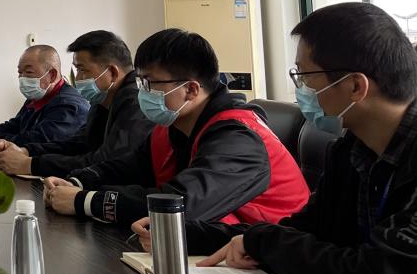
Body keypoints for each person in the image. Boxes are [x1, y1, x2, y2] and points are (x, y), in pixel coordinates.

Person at [155, 3, 416, 274]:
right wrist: (190, 234)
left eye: (304, 76)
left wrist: (263, 241)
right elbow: (305, 230)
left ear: (355, 87)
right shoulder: (353, 149)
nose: (300, 90)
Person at [43, 28, 309, 228]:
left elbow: (181, 204)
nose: (141, 93)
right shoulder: (174, 126)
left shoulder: (239, 137)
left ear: (190, 89)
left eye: (149, 83)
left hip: (270, 259)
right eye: (140, 83)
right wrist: (77, 181)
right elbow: (129, 167)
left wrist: (84, 201)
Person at [0, 30, 153, 178]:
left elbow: (105, 162)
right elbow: (78, 144)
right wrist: (26, 151)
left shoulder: (135, 101)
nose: (77, 78)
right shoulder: (102, 99)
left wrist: (31, 165)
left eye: (83, 70)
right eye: (76, 70)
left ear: (112, 73)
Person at [0, 44, 90, 151]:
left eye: (28, 72)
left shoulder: (69, 105)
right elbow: (15, 125)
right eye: (20, 73)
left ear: (52, 75)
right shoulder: (38, 97)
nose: (22, 78)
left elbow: (39, 141)